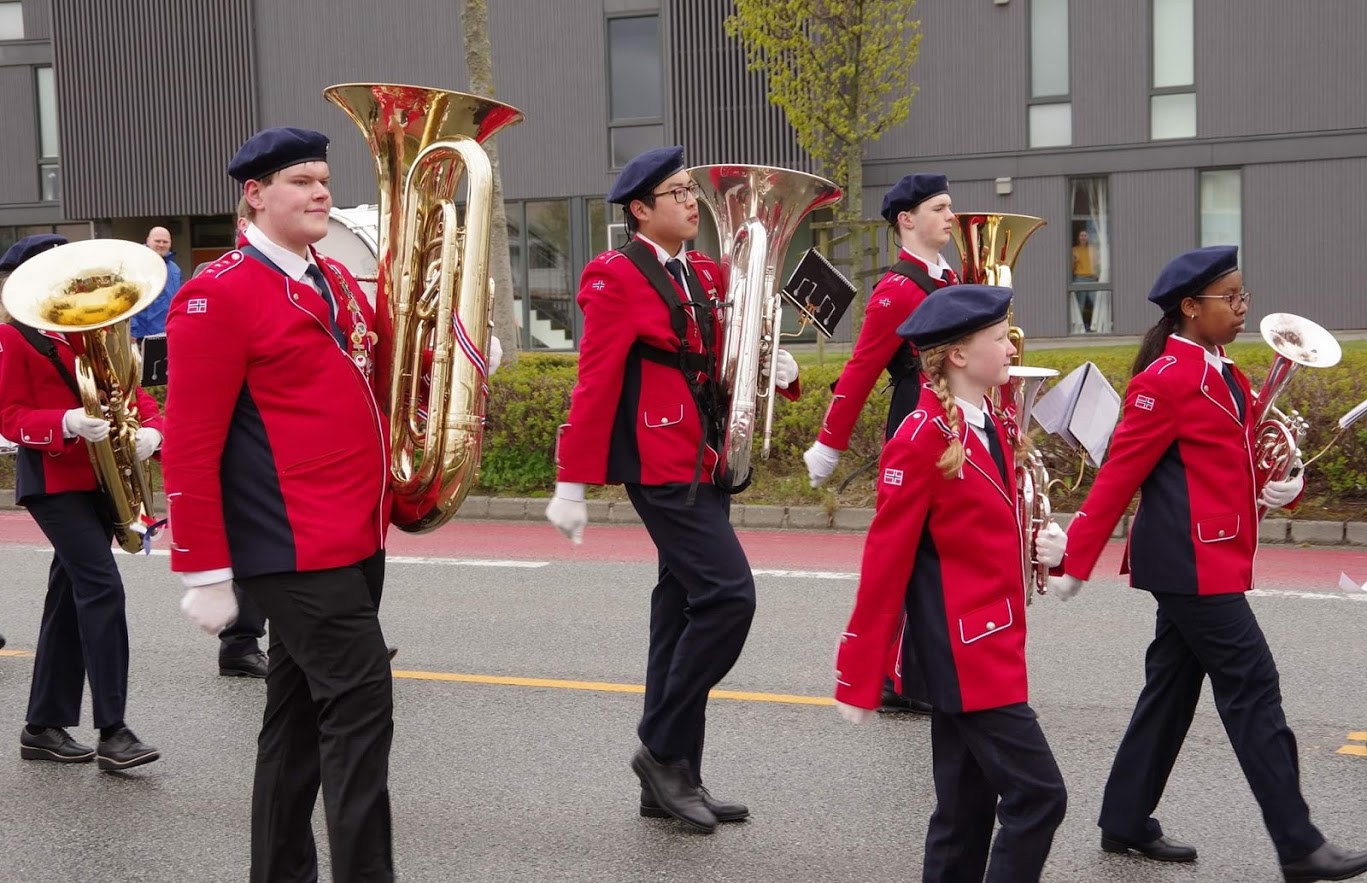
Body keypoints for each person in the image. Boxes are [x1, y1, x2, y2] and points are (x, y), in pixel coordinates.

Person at [1049, 245, 1367, 882]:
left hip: (1212, 554)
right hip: (1188, 563)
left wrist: (1285, 485)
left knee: (1169, 691)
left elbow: (1244, 459)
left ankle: (1124, 818)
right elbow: (1119, 474)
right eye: (1232, 298)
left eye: (1244, 296)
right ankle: (1300, 845)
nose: (1244, 308)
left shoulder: (1229, 374)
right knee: (1254, 688)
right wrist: (1074, 561)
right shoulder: (1164, 379)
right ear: (1191, 307)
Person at [545, 145, 801, 834]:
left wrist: (774, 365)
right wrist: (571, 479)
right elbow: (596, 379)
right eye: (678, 193)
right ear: (639, 209)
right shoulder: (614, 275)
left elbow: (724, 353)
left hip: (706, 456)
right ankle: (659, 748)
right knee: (728, 597)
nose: (693, 202)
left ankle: (674, 778)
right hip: (660, 462)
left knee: (681, 612)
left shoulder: (706, 271)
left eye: (692, 191)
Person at [164, 127, 396, 882]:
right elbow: (189, 442)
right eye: (301, 181)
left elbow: (371, 373)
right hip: (291, 544)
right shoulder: (216, 292)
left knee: (295, 725)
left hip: (354, 532)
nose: (321, 191)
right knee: (361, 707)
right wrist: (202, 568)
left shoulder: (333, 277)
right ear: (255, 194)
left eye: (324, 179)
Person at [835, 284, 1068, 883]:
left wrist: (1047, 548)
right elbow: (886, 562)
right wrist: (860, 675)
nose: (1012, 348)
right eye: (1000, 338)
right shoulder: (920, 438)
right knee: (1040, 797)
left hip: (993, 640)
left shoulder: (993, 421)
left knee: (964, 815)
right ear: (959, 355)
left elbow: (990, 528)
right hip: (966, 655)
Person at [0, 233, 163, 771]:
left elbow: (129, 391)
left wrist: (153, 429)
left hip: (100, 477)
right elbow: (9, 416)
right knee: (101, 588)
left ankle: (42, 726)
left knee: (68, 597)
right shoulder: (12, 336)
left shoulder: (91, 329)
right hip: (53, 480)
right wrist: (65, 422)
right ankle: (114, 731)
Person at [804, 172, 959, 716]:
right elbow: (862, 368)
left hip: (951, 421)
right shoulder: (896, 290)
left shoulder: (950, 278)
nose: (951, 216)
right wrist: (829, 444)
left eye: (949, 206)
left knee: (940, 548)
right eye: (939, 208)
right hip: (916, 423)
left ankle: (918, 668)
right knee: (911, 549)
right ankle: (896, 674)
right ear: (907, 220)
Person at [130, 226, 182, 341]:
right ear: (148, 241)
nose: (161, 245)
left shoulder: (175, 269)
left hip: (169, 333)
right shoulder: (135, 266)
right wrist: (132, 331)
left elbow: (178, 302)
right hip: (141, 336)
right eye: (157, 241)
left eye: (165, 242)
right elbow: (127, 302)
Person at [1070, 229, 1099, 332]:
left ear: (1088, 237)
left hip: (1091, 278)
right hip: (1080, 278)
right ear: (1078, 237)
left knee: (1095, 303)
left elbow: (1097, 264)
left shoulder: (1092, 249)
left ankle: (1095, 326)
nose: (1083, 237)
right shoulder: (1074, 250)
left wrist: (1097, 275)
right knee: (1080, 304)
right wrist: (1074, 261)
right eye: (1081, 235)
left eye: (1085, 235)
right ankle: (1080, 327)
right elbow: (1071, 267)